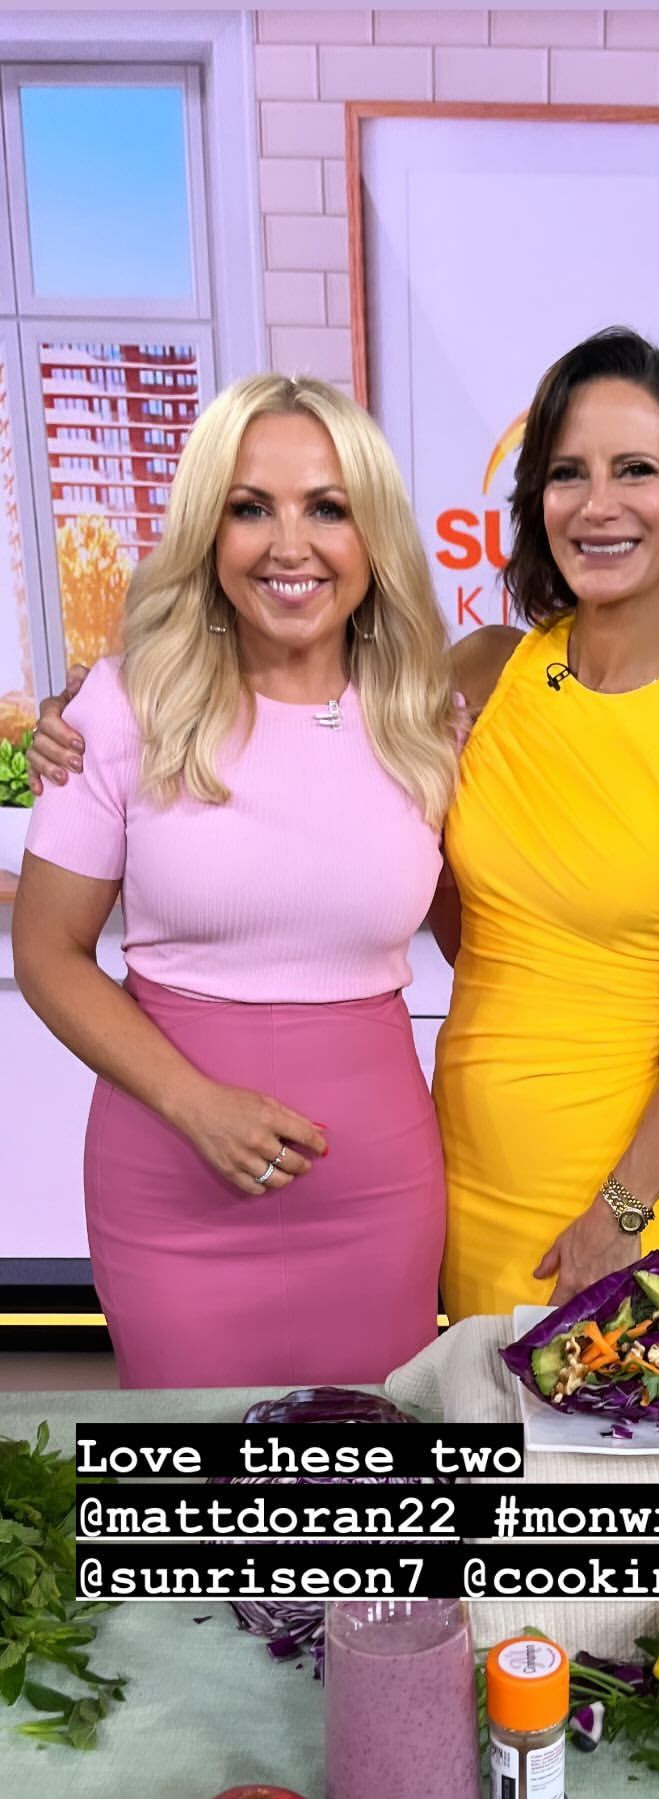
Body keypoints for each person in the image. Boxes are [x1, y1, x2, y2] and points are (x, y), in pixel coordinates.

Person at [15, 374, 456, 1388]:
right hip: (172, 1192)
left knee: (369, 1466)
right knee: (193, 1475)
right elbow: (46, 953)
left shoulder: (428, 721)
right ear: (208, 533)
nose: (289, 545)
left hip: (376, 1201)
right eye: (251, 507)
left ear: (374, 535)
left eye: (328, 508)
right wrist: (197, 1106)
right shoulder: (124, 708)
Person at [433, 327, 659, 1314]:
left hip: (621, 1189)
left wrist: (618, 1214)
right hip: (462, 1161)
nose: (598, 505)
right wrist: (112, 705)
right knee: (469, 1407)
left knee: (615, 1414)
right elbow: (464, 924)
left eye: (635, 469)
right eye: (568, 473)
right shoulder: (480, 672)